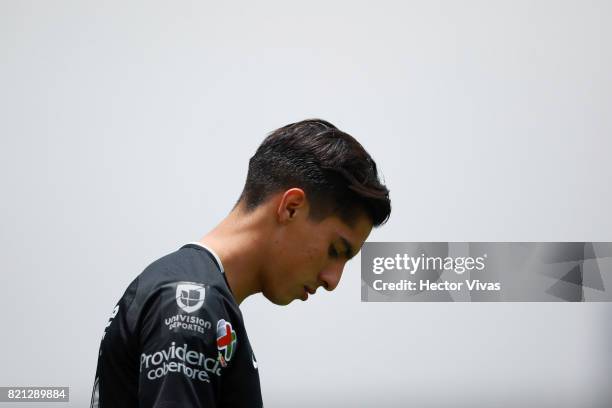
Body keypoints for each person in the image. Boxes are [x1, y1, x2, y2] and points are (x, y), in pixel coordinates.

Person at [90, 119, 391, 407]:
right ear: (291, 207)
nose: (333, 280)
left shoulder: (201, 299)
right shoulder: (189, 303)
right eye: (336, 250)